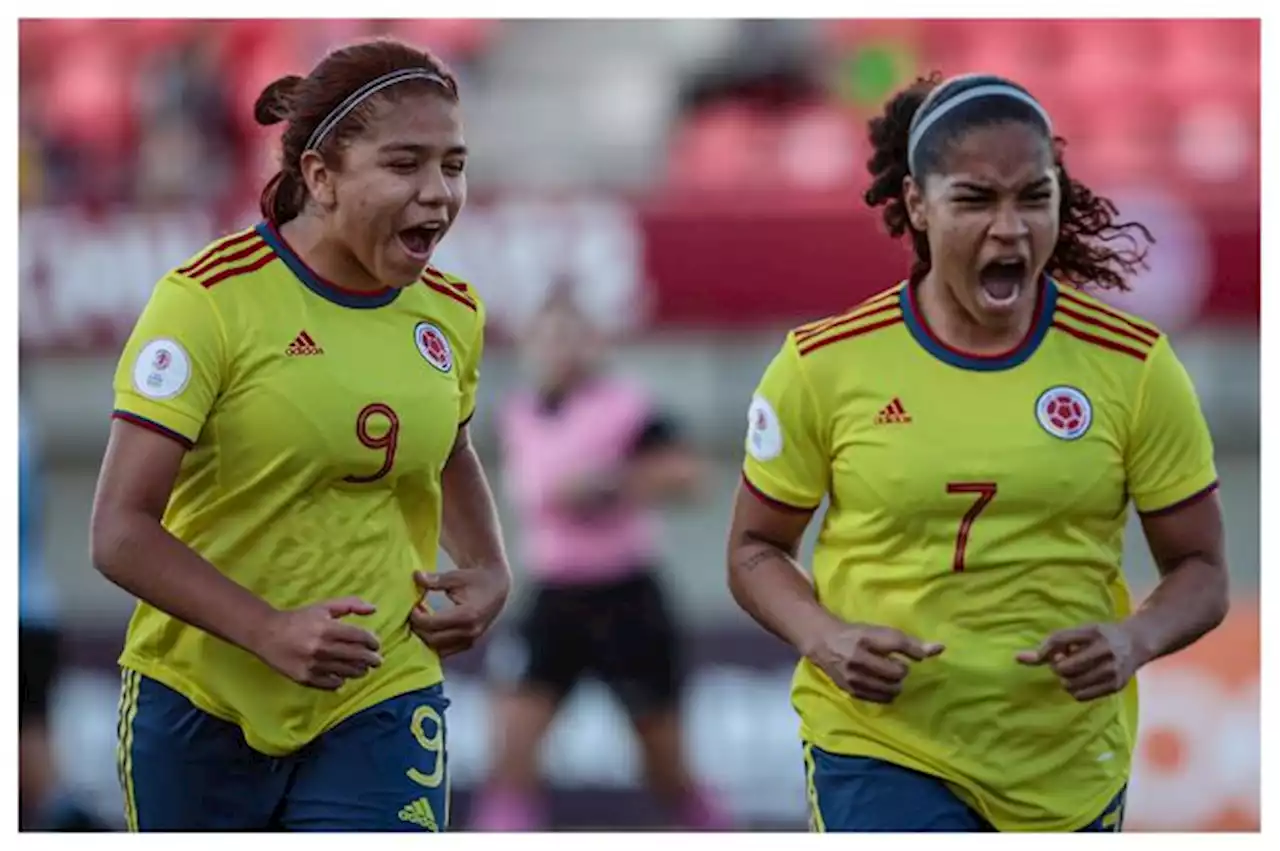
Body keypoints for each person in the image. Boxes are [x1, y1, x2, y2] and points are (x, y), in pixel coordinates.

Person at [726, 72, 1229, 833]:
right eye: (975, 199)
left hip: (1063, 761)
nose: (1010, 229)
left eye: (1034, 196)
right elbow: (754, 548)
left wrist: (1134, 638)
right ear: (918, 205)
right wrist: (825, 638)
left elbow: (1203, 569)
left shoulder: (1134, 366)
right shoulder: (822, 366)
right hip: (880, 743)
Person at [90, 38, 511, 832]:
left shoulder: (452, 312)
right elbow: (118, 532)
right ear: (320, 177)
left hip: (380, 693)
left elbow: (448, 445)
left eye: (452, 166)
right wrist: (267, 629)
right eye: (404, 165)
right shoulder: (206, 303)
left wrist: (490, 565)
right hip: (200, 698)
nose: (438, 194)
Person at [470, 292, 732, 831]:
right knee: (510, 756)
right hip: (554, 598)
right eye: (548, 338)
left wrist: (609, 483)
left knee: (665, 767)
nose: (559, 350)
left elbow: (689, 475)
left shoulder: (625, 406)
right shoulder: (518, 412)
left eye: (571, 336)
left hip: (625, 598)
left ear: (592, 344)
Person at [19, 405, 109, 831]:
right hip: (35, 610)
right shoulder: (24, 421)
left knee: (33, 757)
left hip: (21, 618)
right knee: (33, 750)